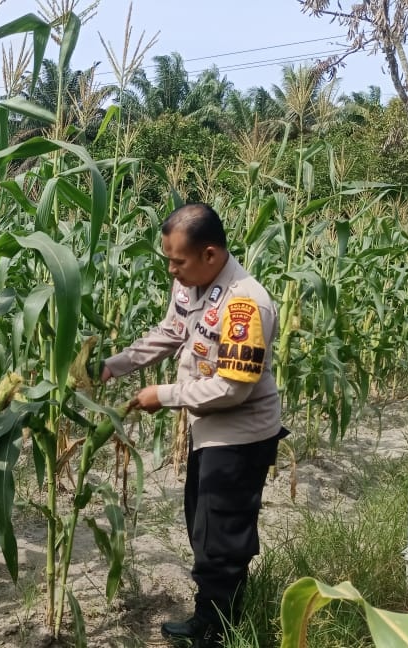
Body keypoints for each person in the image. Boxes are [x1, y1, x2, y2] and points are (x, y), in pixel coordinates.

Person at [101, 203, 284, 647]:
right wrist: (112, 365)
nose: (171, 270)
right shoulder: (192, 286)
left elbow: (233, 389)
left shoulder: (245, 304)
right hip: (210, 432)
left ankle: (220, 632)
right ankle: (210, 616)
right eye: (168, 259)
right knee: (203, 529)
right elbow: (169, 333)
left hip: (240, 435)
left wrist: (162, 396)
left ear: (210, 254)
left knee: (223, 536)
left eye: (178, 261)